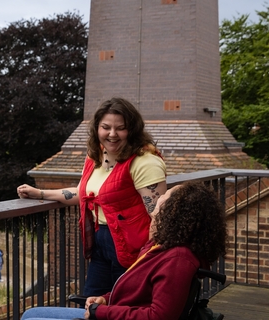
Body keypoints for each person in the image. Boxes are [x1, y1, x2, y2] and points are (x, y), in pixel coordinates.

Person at [17, 97, 167, 296]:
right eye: (106, 127)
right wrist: (40, 194)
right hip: (100, 242)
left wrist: (149, 257)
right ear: (97, 128)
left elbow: (159, 216)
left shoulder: (144, 162)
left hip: (133, 248)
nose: (112, 134)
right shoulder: (95, 156)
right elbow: (83, 193)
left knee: (125, 306)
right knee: (91, 301)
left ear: (132, 130)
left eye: (120, 128)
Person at [20, 181, 228, 320]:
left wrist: (101, 312)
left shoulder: (178, 259)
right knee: (31, 313)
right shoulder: (159, 246)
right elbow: (134, 290)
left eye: (165, 198)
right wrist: (105, 299)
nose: (158, 199)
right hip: (112, 311)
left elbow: (158, 316)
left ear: (175, 212)